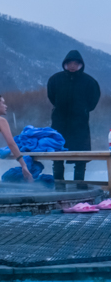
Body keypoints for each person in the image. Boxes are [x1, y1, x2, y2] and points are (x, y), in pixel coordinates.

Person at [47, 50, 102, 183]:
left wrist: (82, 110)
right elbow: (52, 97)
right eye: (70, 63)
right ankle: (58, 185)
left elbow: (93, 101)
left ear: (81, 65)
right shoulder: (55, 79)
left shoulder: (89, 82)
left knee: (81, 157)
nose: (72, 65)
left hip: (79, 125)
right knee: (58, 157)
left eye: (75, 63)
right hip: (59, 123)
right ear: (65, 64)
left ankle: (79, 185)